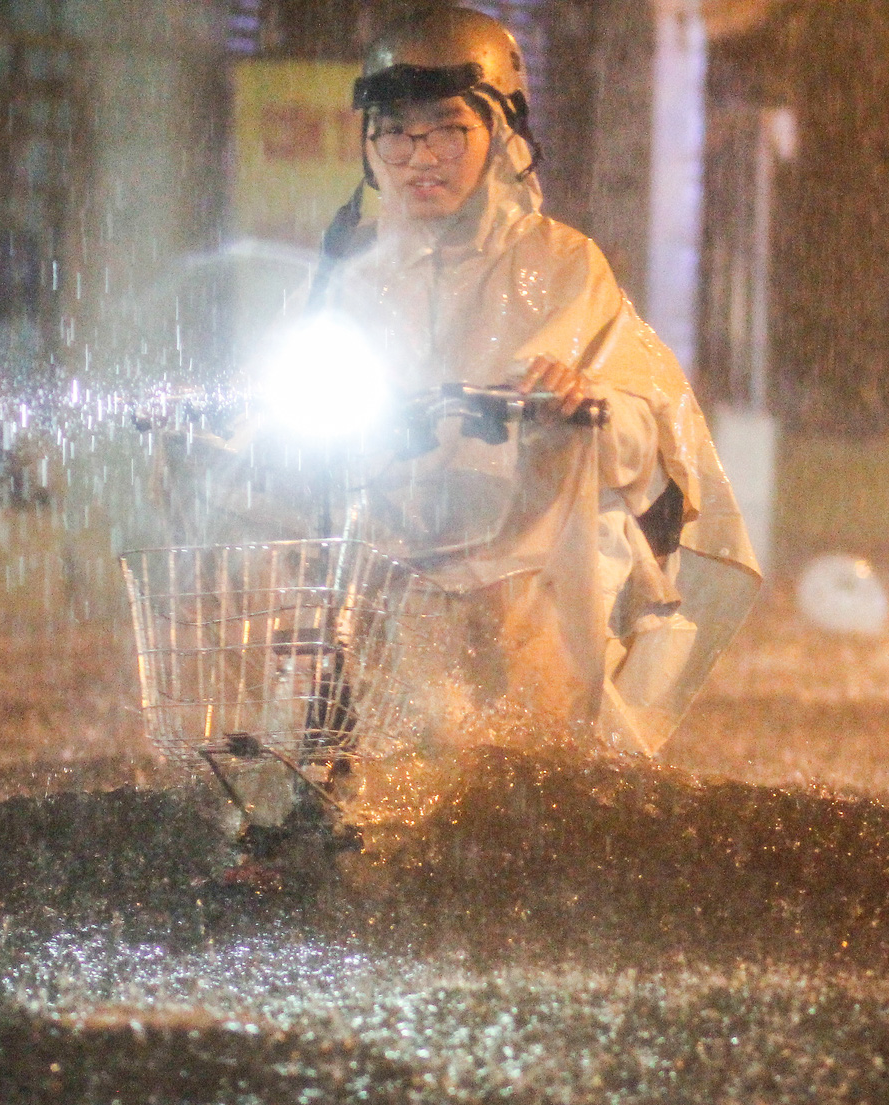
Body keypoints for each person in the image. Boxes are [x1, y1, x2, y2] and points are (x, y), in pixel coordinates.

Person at [307, 5, 759, 756]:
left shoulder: (565, 266)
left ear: (500, 134)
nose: (420, 155)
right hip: (388, 559)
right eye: (395, 131)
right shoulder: (348, 279)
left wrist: (590, 404)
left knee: (535, 774)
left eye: (448, 129)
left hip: (535, 563)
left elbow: (653, 432)